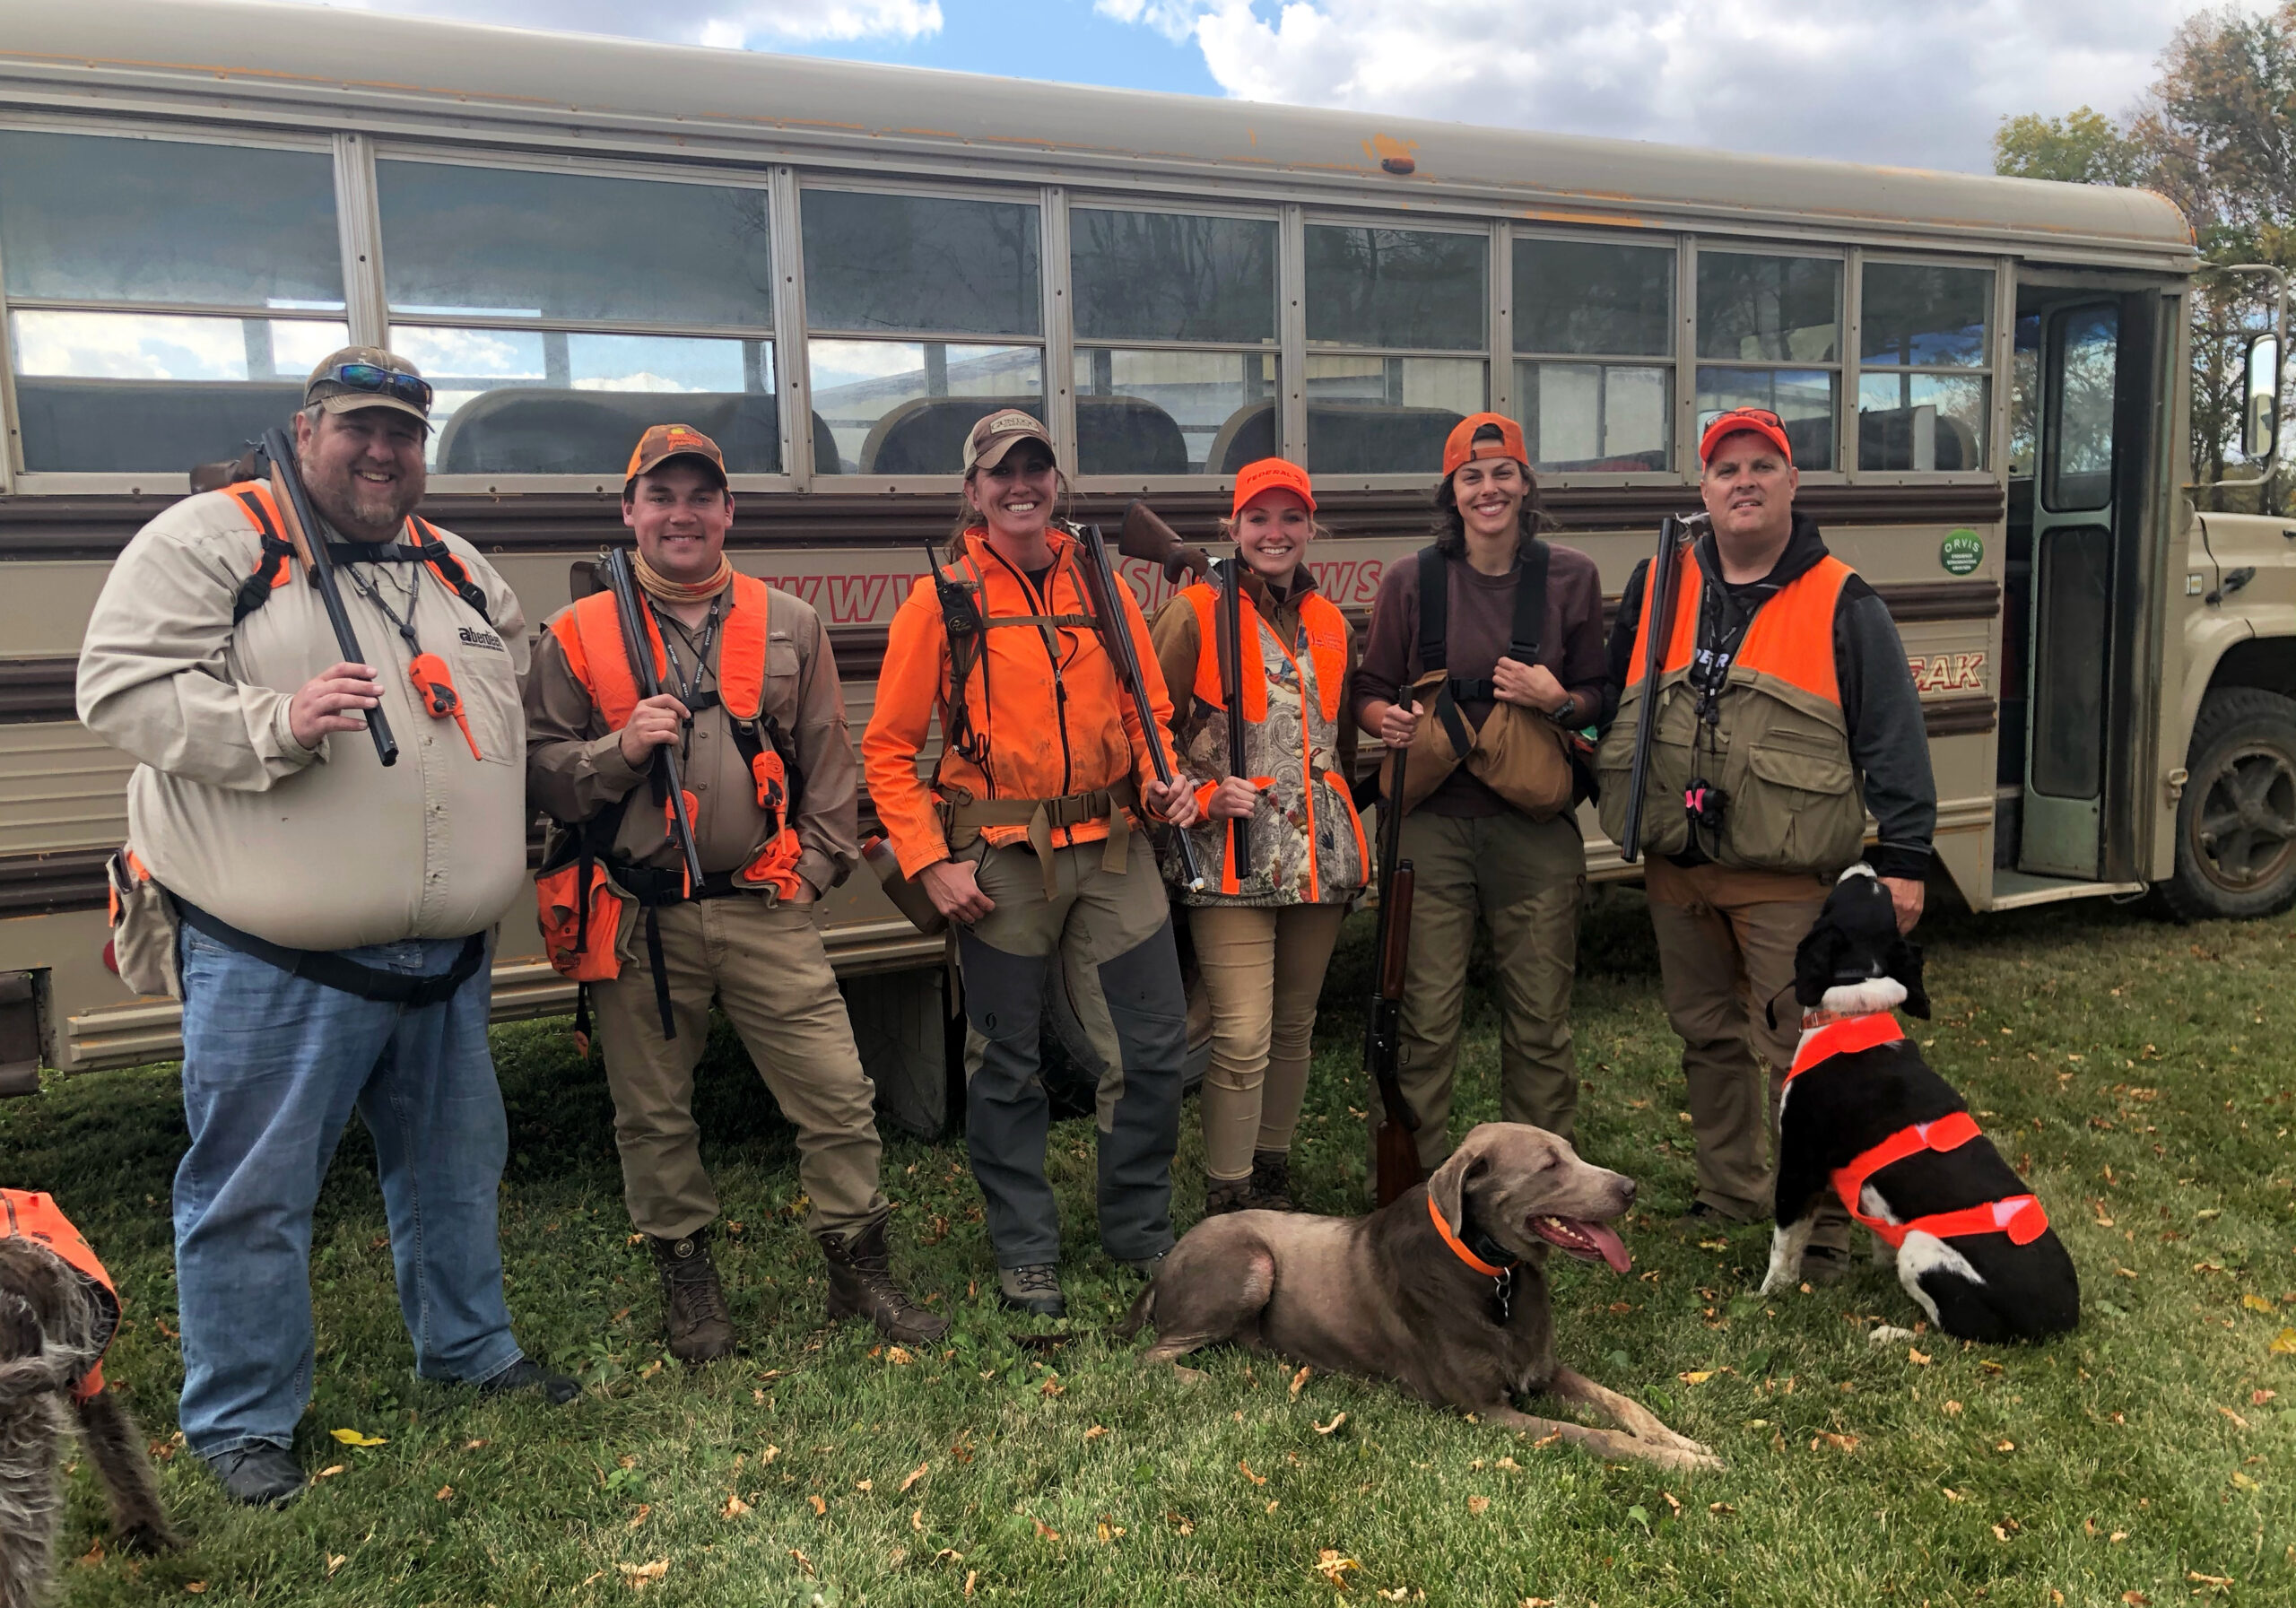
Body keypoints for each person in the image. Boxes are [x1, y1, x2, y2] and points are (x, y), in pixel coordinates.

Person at [75, 347, 573, 1509]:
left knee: (455, 1173)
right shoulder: (214, 541)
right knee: (251, 1194)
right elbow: (117, 688)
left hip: (444, 960)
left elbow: (520, 706)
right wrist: (275, 719)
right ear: (307, 432)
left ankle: (469, 1349)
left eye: (404, 431)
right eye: (359, 427)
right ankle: (243, 1420)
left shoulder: (451, 563)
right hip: (275, 957)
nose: (383, 449)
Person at [525, 424, 944, 1362]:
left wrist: (817, 871)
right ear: (629, 510)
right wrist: (618, 749)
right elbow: (538, 774)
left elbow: (832, 766)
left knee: (838, 1094)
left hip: (764, 908)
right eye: (660, 496)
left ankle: (859, 1269)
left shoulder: (786, 619)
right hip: (638, 918)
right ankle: (688, 1280)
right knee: (654, 1113)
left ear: (728, 511)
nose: (682, 514)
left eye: (700, 496)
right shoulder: (578, 631)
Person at [862, 410, 1202, 1318]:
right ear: (973, 492)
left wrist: (1161, 776)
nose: (1022, 485)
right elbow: (888, 751)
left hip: (1113, 843)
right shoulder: (941, 600)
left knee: (1155, 1046)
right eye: (1001, 472)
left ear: (1056, 484)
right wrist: (932, 862)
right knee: (1006, 1059)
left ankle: (1136, 1229)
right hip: (1001, 856)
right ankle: (1025, 1249)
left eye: (1036, 469)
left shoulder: (1103, 584)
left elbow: (1143, 709)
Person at [1596, 406, 1935, 1282]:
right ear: (1702, 490)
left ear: (1791, 484)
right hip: (1679, 862)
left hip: (1786, 875)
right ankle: (1731, 1187)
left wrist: (1905, 856)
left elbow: (1891, 735)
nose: (1741, 481)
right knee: (1703, 1032)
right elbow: (1613, 689)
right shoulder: (1659, 582)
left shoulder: (1843, 599)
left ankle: (1819, 1231)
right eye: (1724, 469)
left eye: (1761, 465)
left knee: (1797, 1048)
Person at [1351, 414, 1609, 1170]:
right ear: (1452, 491)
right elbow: (1367, 687)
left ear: (1526, 485)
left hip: (1533, 828)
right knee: (1423, 1021)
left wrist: (1557, 696)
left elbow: (1600, 692)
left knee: (1538, 1023)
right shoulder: (1410, 580)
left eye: (1503, 474)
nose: (1488, 489)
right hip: (1429, 828)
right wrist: (1384, 718)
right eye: (1472, 476)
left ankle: (1538, 1184)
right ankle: (1413, 1191)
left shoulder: (1572, 577)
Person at [1149, 458, 1364, 1214]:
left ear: (1311, 528)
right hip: (1228, 858)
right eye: (1260, 518)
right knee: (1241, 1032)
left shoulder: (1332, 621)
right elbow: (1146, 730)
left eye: (1291, 518)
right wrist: (1202, 795)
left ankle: (1272, 1172)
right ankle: (1229, 1196)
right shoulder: (1194, 611)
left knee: (1295, 1024)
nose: (1276, 533)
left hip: (1316, 861)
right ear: (1233, 529)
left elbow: (1337, 740)